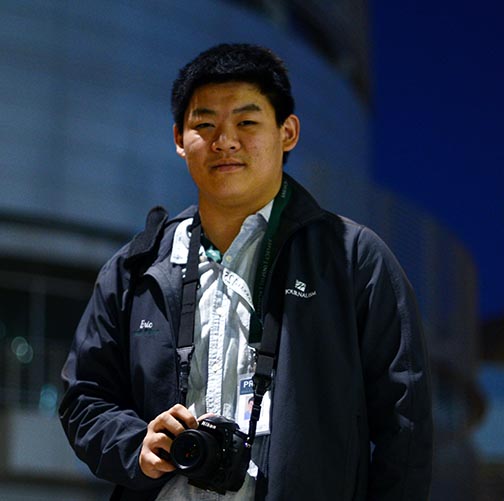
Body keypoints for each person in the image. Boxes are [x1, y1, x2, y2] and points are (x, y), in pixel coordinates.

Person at [59, 43, 433, 500]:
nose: (225, 140)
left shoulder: (354, 259)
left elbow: (405, 428)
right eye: (204, 124)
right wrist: (136, 444)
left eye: (247, 122)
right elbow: (83, 398)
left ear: (288, 132)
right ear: (179, 138)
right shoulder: (136, 267)